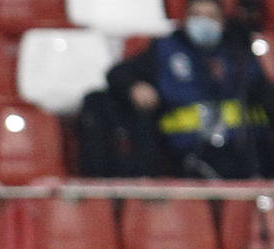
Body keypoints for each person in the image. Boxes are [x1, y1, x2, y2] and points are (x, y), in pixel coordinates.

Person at [85, 0, 274, 179]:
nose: (204, 22)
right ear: (185, 19)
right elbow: (117, 74)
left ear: (222, 22)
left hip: (242, 155)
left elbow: (264, 93)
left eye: (210, 16)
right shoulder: (167, 51)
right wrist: (135, 86)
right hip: (184, 157)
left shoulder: (238, 52)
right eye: (197, 15)